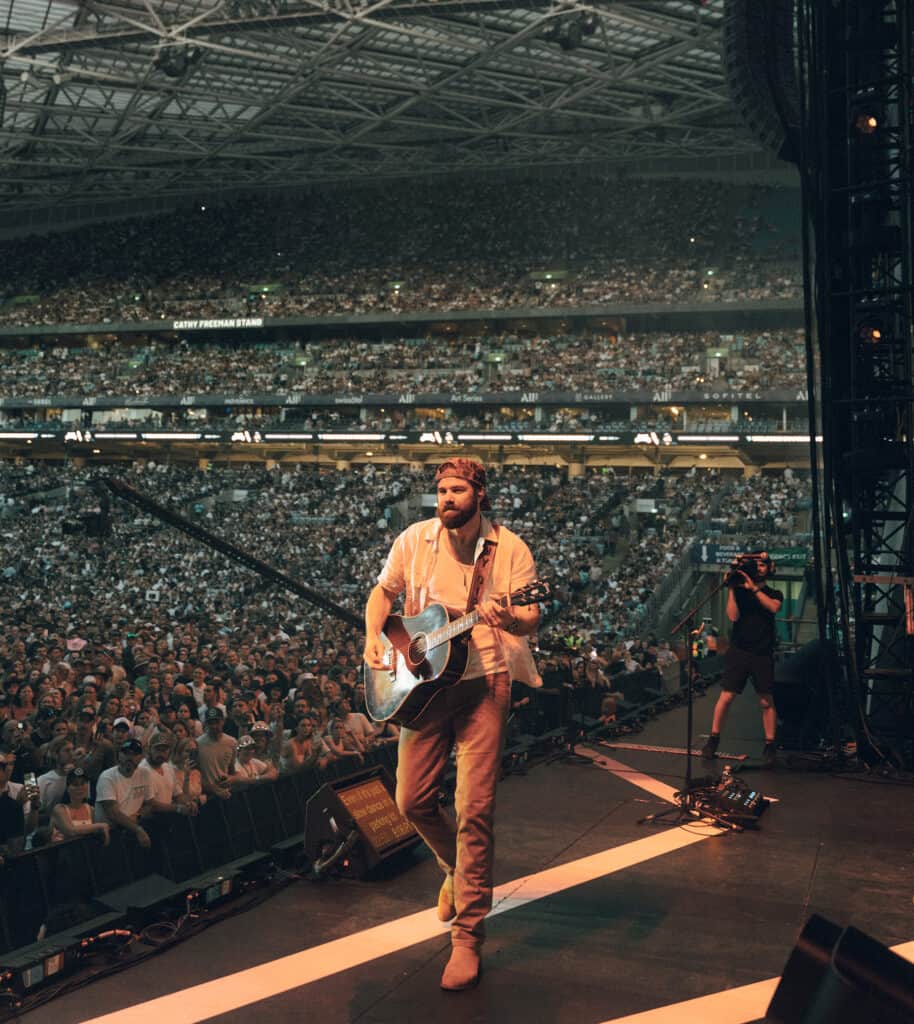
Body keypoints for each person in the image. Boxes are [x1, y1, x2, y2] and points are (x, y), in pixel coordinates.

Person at [363, 457, 541, 991]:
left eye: (457, 489)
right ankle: (454, 868)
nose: (446, 498)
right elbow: (383, 593)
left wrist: (507, 615)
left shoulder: (509, 550)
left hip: (485, 681)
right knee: (410, 801)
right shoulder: (414, 539)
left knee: (474, 807)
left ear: (479, 495)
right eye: (441, 489)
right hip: (424, 686)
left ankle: (468, 937)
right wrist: (373, 635)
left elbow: (532, 616)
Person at [701, 553, 783, 766]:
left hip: (762, 652)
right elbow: (733, 616)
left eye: (763, 564)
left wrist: (753, 588)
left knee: (766, 700)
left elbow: (773, 607)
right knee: (726, 697)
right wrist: (732, 588)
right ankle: (713, 739)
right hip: (739, 650)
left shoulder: (774, 592)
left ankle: (770, 745)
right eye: (756, 564)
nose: (759, 568)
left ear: (769, 568)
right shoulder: (739, 592)